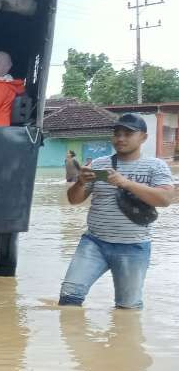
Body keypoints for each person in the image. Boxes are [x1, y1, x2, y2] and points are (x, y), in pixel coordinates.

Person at [58, 113, 174, 309]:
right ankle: (72, 338)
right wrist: (80, 182)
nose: (120, 138)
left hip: (133, 246)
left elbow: (165, 199)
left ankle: (125, 338)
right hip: (94, 243)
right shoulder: (98, 164)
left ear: (143, 137)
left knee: (128, 307)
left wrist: (126, 183)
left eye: (128, 134)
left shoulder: (155, 166)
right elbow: (73, 200)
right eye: (117, 133)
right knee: (69, 296)